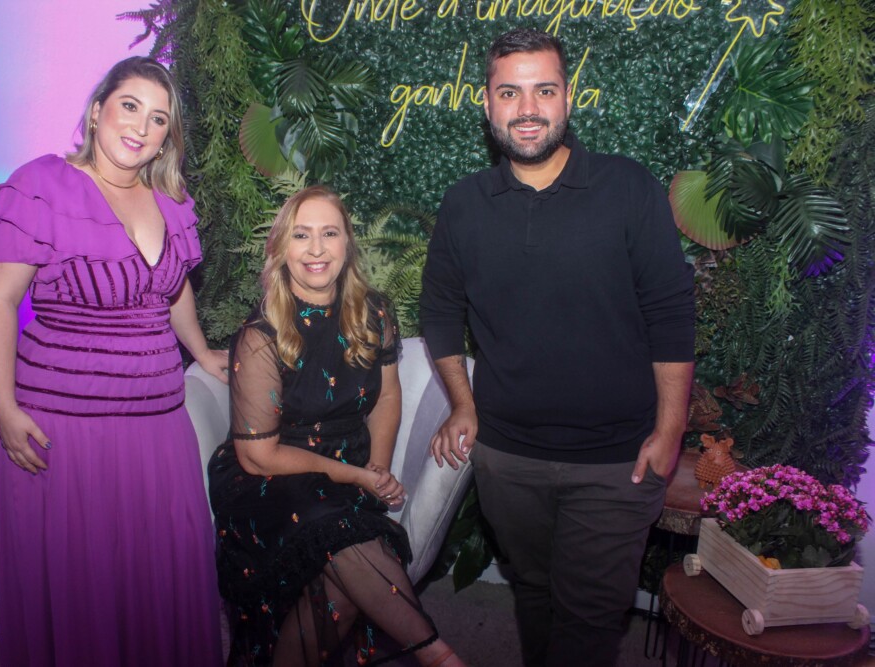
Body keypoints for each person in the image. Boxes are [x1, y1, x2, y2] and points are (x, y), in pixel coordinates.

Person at [419, 29, 695, 667]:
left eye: (544, 90)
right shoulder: (464, 204)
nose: (528, 109)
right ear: (487, 103)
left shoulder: (629, 188)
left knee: (589, 625)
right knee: (536, 594)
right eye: (509, 93)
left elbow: (671, 314)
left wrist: (671, 428)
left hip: (616, 463)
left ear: (568, 97)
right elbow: (440, 312)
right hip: (507, 460)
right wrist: (462, 403)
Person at [0, 56, 226, 667]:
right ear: (97, 111)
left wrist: (201, 351)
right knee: (81, 579)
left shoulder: (170, 200)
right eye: (130, 106)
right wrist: (3, 407)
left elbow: (173, 289)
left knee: (163, 564)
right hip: (67, 428)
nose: (141, 126)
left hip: (158, 423)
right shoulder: (42, 186)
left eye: (159, 118)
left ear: (168, 136)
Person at [208, 186, 465, 667]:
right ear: (281, 248)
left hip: (349, 466)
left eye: (329, 233)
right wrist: (359, 478)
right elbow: (258, 457)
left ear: (348, 243)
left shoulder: (374, 313)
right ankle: (439, 655)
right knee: (339, 533)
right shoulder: (260, 336)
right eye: (301, 235)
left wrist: (377, 468)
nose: (316, 249)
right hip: (271, 478)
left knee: (344, 584)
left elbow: (386, 396)